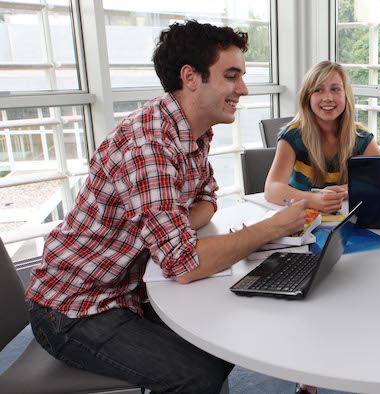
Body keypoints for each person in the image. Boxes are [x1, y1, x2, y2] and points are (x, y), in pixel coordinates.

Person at [25, 20, 308, 393]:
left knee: (223, 339)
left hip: (129, 286)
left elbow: (208, 197)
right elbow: (183, 265)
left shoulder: (194, 130)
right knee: (197, 373)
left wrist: (174, 223)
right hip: (76, 306)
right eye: (231, 75)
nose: (243, 89)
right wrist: (272, 227)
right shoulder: (149, 147)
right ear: (191, 77)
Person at [265, 61, 380, 215]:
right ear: (307, 98)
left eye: (335, 89)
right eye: (318, 90)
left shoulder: (361, 138)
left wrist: (339, 192)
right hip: (302, 220)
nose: (328, 97)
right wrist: (315, 199)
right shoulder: (292, 136)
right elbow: (272, 188)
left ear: (346, 95)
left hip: (348, 220)